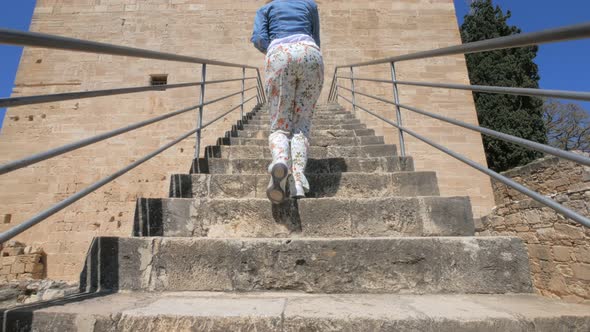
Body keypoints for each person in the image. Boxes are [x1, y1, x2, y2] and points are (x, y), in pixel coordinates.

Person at [251, 0, 324, 204]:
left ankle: (281, 161)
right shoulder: (310, 5)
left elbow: (258, 39)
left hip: (279, 55)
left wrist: (275, 50)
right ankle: (298, 180)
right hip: (310, 54)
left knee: (280, 126)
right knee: (301, 125)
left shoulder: (266, 9)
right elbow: (315, 38)